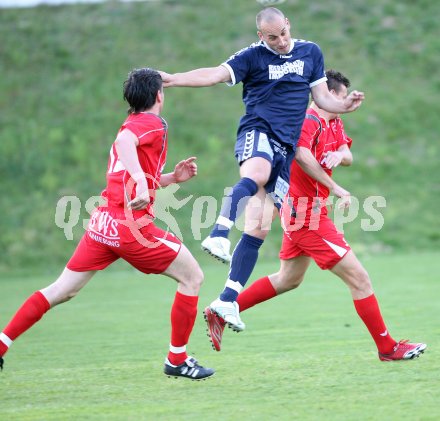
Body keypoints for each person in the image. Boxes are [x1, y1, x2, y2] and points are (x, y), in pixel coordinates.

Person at [0, 68, 214, 380]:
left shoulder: (132, 121)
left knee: (61, 290)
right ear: (158, 95)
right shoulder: (150, 123)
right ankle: (177, 360)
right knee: (193, 277)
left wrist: (169, 179)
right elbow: (124, 142)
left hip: (104, 223)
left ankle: (2, 344)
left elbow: (127, 167)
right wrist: (142, 179)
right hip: (130, 228)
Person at [160, 7, 364, 332]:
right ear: (261, 36)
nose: (281, 41)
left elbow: (324, 98)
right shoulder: (252, 56)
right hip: (258, 130)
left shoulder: (310, 53)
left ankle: (227, 300)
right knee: (255, 175)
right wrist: (172, 79)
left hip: (283, 148)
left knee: (258, 228)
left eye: (283, 33)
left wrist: (345, 105)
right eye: (272, 37)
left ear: (288, 25)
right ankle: (218, 234)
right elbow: (214, 74)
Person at [204, 70, 427, 361]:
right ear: (330, 95)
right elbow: (300, 153)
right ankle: (388, 348)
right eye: (343, 98)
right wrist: (334, 186)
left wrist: (339, 156)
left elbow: (347, 152)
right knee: (360, 279)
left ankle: (221, 309)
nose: (345, 103)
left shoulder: (333, 121)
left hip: (308, 212)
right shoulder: (308, 120)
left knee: (288, 279)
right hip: (305, 215)